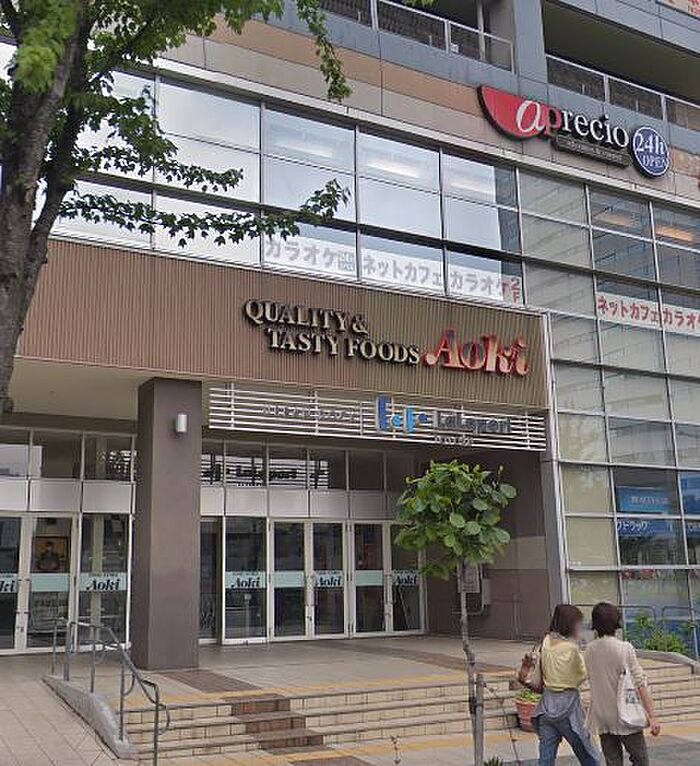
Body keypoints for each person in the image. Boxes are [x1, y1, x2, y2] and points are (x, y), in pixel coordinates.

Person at [519, 604, 601, 766]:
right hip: (568, 708)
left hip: (546, 707)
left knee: (545, 759)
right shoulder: (571, 648)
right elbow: (582, 674)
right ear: (570, 624)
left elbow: (540, 675)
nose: (580, 628)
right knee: (588, 754)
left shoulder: (546, 642)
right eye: (578, 624)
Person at [584, 602, 661, 766]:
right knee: (640, 760)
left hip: (602, 716)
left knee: (613, 762)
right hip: (626, 716)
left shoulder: (589, 650)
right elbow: (640, 683)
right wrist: (652, 716)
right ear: (616, 622)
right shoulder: (625, 648)